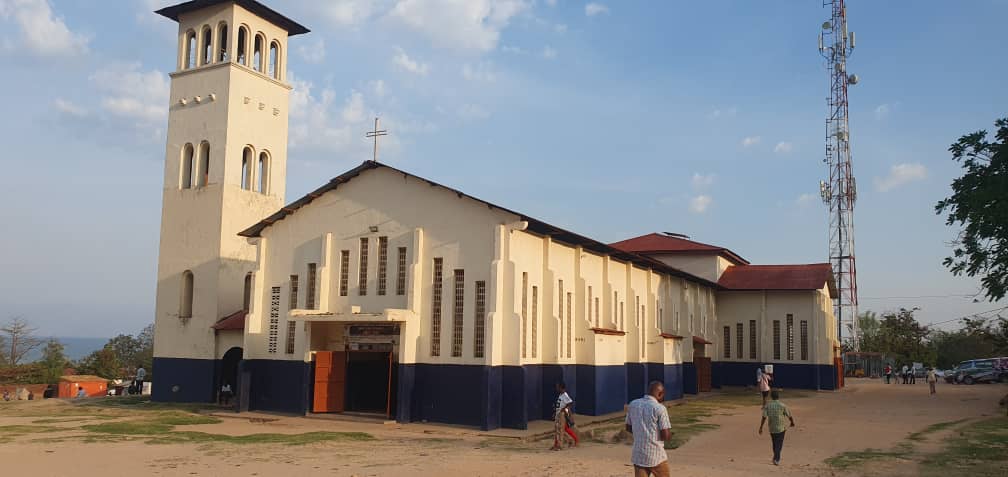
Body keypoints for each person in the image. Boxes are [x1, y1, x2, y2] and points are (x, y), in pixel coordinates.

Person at [626, 381, 672, 477]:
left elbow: (628, 427)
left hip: (639, 455)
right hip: (656, 456)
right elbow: (666, 436)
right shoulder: (660, 408)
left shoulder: (633, 404)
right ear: (660, 394)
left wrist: (641, 432)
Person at [759, 389, 795, 466]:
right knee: (779, 444)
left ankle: (775, 457)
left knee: (775, 443)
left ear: (771, 397)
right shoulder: (782, 405)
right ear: (778, 397)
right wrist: (792, 422)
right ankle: (776, 459)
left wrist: (761, 427)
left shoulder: (768, 406)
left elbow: (764, 417)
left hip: (772, 428)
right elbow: (789, 415)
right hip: (781, 428)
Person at [550, 382, 577, 450]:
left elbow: (570, 402)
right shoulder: (560, 395)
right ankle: (556, 444)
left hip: (561, 415)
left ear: (561, 387)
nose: (556, 388)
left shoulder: (565, 395)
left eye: (557, 387)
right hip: (558, 413)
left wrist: (563, 409)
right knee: (557, 430)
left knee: (560, 430)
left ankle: (560, 445)